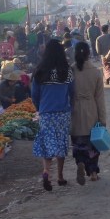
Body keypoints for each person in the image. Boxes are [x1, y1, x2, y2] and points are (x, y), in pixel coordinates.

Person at [32, 39, 75, 191]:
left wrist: (40, 108)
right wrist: (71, 107)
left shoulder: (39, 72)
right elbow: (72, 92)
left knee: (47, 142)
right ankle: (60, 176)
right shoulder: (67, 71)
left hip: (46, 113)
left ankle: (46, 171)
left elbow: (34, 95)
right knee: (61, 143)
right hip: (62, 113)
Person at [70, 42, 107, 184]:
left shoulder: (71, 71)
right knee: (93, 145)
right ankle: (93, 172)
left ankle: (80, 162)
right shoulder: (96, 72)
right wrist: (102, 119)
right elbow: (100, 99)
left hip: (75, 111)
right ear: (88, 54)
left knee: (78, 143)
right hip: (92, 111)